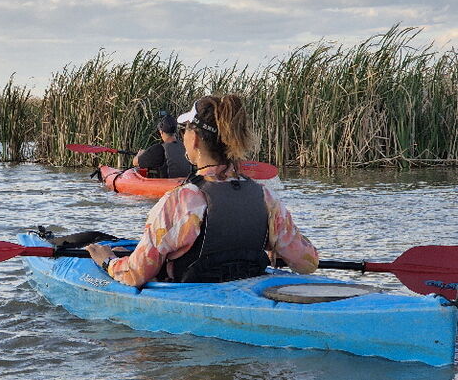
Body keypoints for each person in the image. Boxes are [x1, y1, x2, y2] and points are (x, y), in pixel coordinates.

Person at [86, 94, 319, 285]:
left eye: (185, 129)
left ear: (195, 138)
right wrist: (272, 245)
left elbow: (135, 274)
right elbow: (307, 264)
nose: (184, 135)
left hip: (194, 299)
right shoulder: (264, 196)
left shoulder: (181, 200)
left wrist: (108, 261)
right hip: (245, 289)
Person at [132, 113, 192, 178]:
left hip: (169, 187)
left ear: (161, 132)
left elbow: (135, 162)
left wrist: (140, 154)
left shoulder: (158, 149)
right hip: (185, 184)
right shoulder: (185, 146)